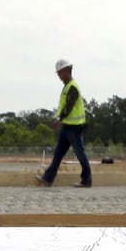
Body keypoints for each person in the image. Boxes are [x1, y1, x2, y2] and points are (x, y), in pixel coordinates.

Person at [37, 58, 92, 188]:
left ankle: (87, 180)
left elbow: (69, 106)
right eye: (58, 73)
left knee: (80, 154)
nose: (59, 76)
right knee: (58, 153)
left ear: (67, 71)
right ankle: (48, 178)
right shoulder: (67, 87)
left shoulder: (73, 87)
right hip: (67, 127)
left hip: (74, 127)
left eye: (60, 73)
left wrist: (59, 120)